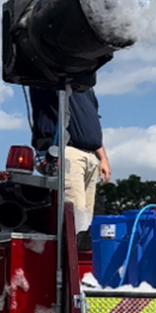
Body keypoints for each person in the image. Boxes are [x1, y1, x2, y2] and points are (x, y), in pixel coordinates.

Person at [29, 87, 111, 232]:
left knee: (86, 219)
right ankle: (70, 251)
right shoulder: (57, 77)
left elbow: (92, 125)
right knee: (75, 214)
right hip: (68, 151)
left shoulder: (86, 88)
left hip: (91, 155)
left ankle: (80, 249)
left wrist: (103, 158)